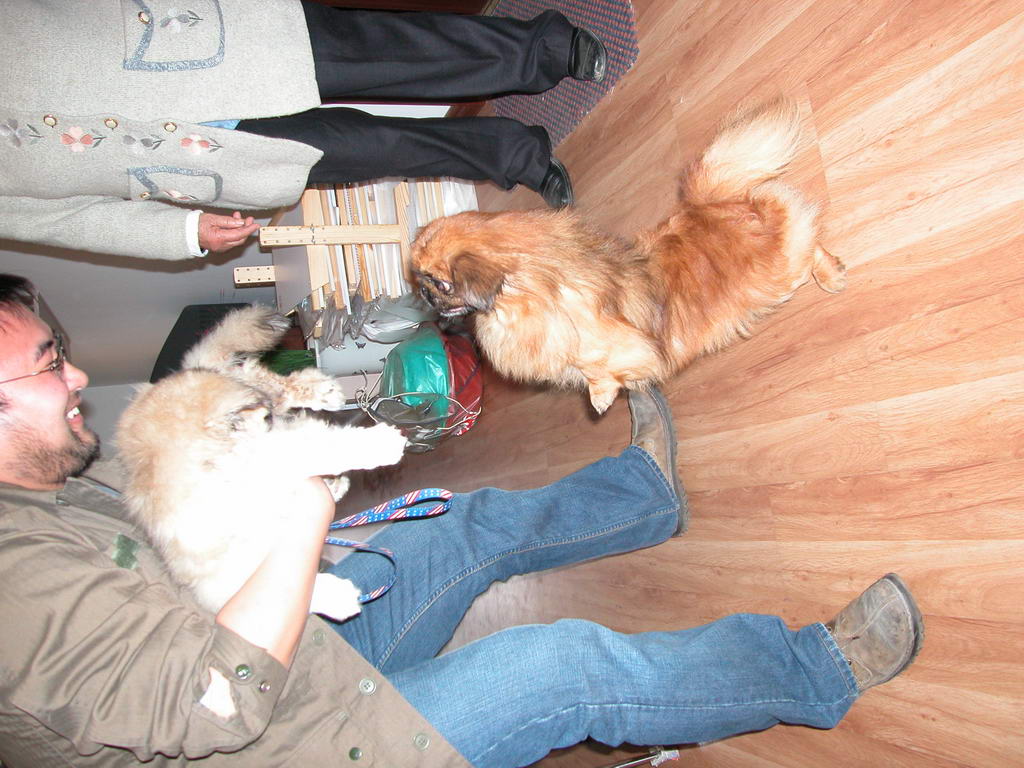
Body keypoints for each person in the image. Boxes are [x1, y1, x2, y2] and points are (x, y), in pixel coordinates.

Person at [0, 272, 925, 767]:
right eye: (47, 362)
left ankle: (641, 499)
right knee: (557, 668)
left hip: (304, 659)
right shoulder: (12, 581)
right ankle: (818, 671)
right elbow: (215, 701)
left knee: (452, 531)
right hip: (288, 746)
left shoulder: (54, 491)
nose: (76, 376)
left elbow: (189, 538)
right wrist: (303, 511)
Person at [0, 1, 608, 261]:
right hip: (203, 160)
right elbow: (62, 221)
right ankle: (514, 153)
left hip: (184, 48)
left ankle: (542, 50)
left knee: (386, 54)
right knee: (373, 150)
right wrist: (181, 232)